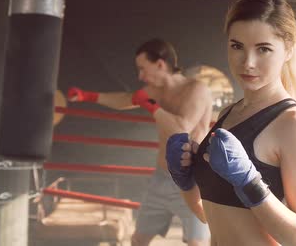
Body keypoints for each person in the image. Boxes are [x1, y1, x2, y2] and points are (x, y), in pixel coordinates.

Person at [166, 0, 296, 245]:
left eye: (263, 49)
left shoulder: (292, 124)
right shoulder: (229, 113)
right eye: (237, 46)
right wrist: (185, 181)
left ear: (289, 50)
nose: (248, 62)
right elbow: (210, 215)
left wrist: (250, 182)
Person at [67, 38, 211, 246]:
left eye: (143, 69)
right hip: (161, 178)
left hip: (192, 182)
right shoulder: (156, 91)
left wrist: (153, 107)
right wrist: (87, 96)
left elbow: (181, 129)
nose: (140, 76)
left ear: (160, 64)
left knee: (197, 244)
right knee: (138, 240)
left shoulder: (197, 90)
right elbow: (126, 99)